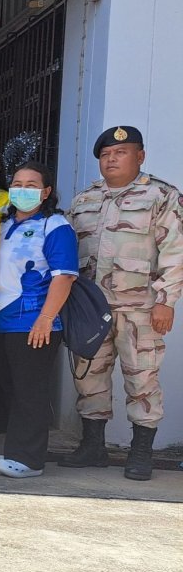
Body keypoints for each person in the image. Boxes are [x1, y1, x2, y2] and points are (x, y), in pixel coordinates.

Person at [65, 125, 183, 480]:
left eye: (120, 153)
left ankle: (141, 453)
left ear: (140, 156)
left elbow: (175, 251)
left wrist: (166, 301)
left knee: (142, 380)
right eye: (105, 155)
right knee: (89, 378)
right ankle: (93, 447)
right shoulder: (85, 200)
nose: (111, 159)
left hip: (141, 309)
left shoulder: (162, 196)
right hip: (91, 310)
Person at [0, 162, 79, 479]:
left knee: (30, 390)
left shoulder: (54, 226)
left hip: (34, 323)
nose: (23, 190)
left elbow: (64, 276)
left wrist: (45, 318)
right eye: (17, 183)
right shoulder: (1, 224)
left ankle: (29, 458)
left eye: (31, 185)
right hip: (0, 320)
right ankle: (11, 448)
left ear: (46, 192)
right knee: (9, 388)